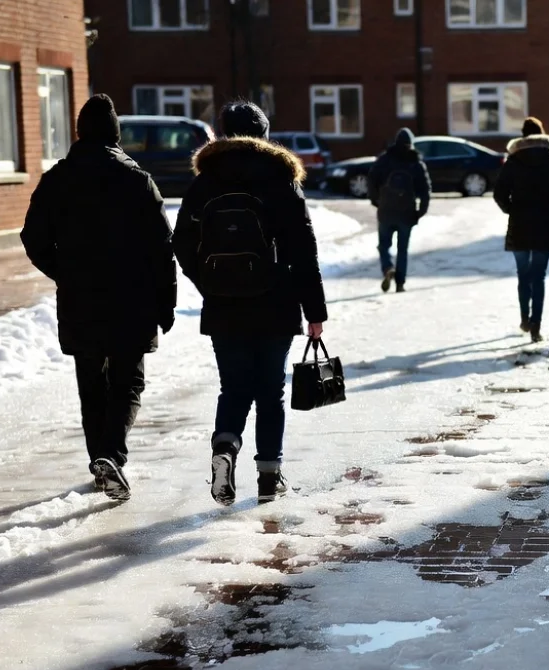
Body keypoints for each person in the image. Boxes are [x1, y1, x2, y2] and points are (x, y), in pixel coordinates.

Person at [20, 94, 176, 502]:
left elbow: (32, 237)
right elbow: (162, 247)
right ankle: (111, 456)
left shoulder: (58, 178)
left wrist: (65, 272)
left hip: (80, 299)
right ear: (115, 135)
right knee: (127, 382)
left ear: (80, 133)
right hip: (132, 299)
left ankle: (101, 462)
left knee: (91, 382)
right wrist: (166, 302)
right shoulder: (136, 179)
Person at [173, 101, 328, 505]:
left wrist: (208, 280)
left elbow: (181, 242)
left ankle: (225, 449)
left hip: (223, 303)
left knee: (234, 387)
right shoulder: (281, 177)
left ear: (224, 132)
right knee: (270, 392)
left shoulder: (205, 181)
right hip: (275, 301)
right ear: (263, 133)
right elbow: (303, 249)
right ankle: (268, 476)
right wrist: (315, 312)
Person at [493, 116, 549, 344]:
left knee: (523, 275)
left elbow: (499, 193)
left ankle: (524, 318)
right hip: (543, 225)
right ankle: (536, 325)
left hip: (519, 224)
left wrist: (511, 209)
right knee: (539, 277)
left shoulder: (513, 162)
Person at [368, 128, 432, 294]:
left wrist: (376, 201)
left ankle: (387, 267)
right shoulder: (416, 163)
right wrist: (420, 211)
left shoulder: (384, 160)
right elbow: (425, 190)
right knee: (402, 249)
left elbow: (371, 180)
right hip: (407, 212)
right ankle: (400, 283)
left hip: (386, 210)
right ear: (411, 144)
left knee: (383, 246)